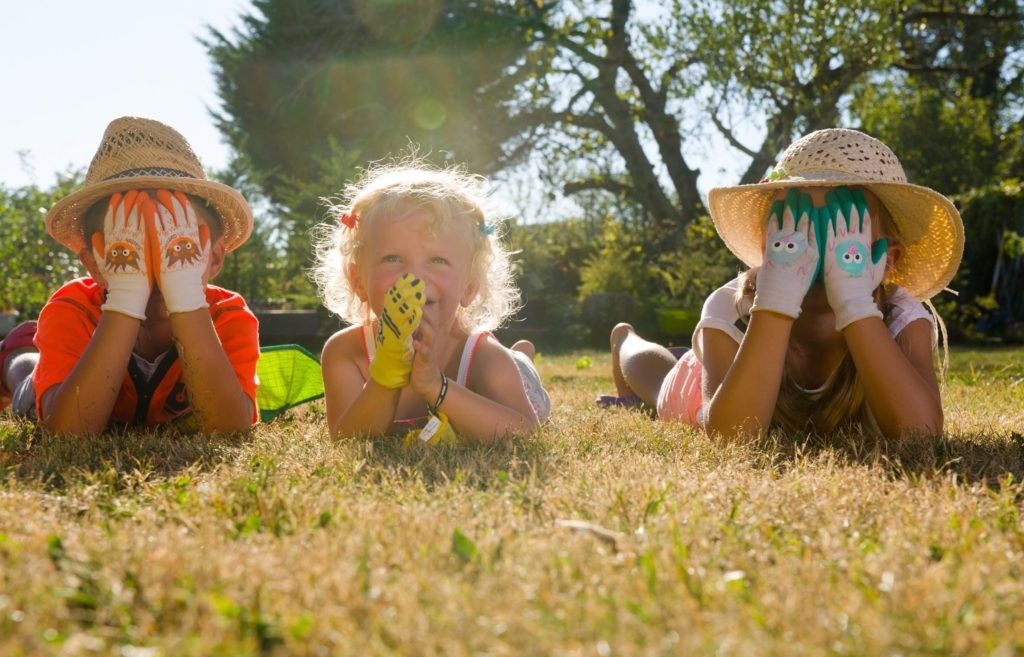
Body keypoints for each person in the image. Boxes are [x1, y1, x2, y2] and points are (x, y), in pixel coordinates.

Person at [603, 128, 964, 440]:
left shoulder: (901, 315)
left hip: (730, 353)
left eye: (843, 232)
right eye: (799, 227)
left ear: (888, 259)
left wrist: (855, 303)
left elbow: (922, 434)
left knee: (682, 358)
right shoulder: (731, 307)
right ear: (768, 248)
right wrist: (776, 298)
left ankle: (678, 351)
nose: (818, 248)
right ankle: (625, 339)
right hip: (715, 379)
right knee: (657, 379)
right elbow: (733, 437)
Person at [0, 116, 259, 435]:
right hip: (46, 384)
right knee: (26, 373)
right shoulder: (73, 309)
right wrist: (125, 298)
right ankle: (16, 351)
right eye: (131, 247)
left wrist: (187, 298)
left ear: (214, 257)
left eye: (175, 245)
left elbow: (231, 431)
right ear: (94, 265)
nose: (155, 266)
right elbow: (68, 434)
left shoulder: (228, 315)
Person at [311, 160, 550, 442]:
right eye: (392, 258)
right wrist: (386, 374)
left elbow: (523, 432)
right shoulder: (345, 353)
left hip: (518, 381)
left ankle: (523, 357)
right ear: (358, 280)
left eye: (438, 260)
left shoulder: (482, 355)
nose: (414, 276)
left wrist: (436, 386)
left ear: (470, 286)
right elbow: (347, 438)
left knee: (517, 364)